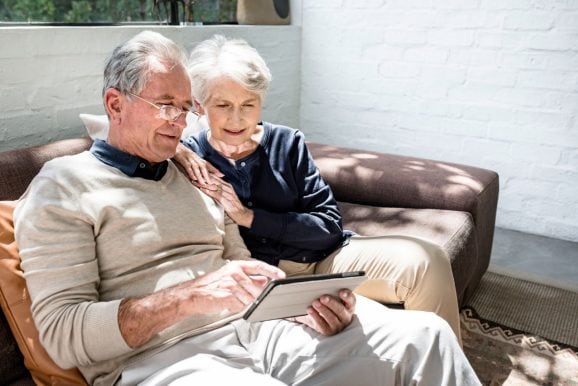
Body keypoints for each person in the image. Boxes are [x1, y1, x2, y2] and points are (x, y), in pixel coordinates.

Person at [14, 31, 480, 386]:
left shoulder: (196, 177)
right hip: (163, 361)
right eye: (165, 106)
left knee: (425, 337)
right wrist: (191, 296)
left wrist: (298, 306)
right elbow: (62, 333)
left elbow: (241, 264)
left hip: (260, 329)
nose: (181, 123)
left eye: (185, 108)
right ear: (115, 104)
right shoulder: (62, 188)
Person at [174, 34, 463, 341]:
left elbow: (329, 227)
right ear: (199, 106)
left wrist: (249, 217)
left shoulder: (287, 143)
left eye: (249, 104)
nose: (237, 118)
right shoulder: (190, 158)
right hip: (270, 279)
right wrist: (179, 150)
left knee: (426, 260)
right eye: (223, 105)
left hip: (328, 258)